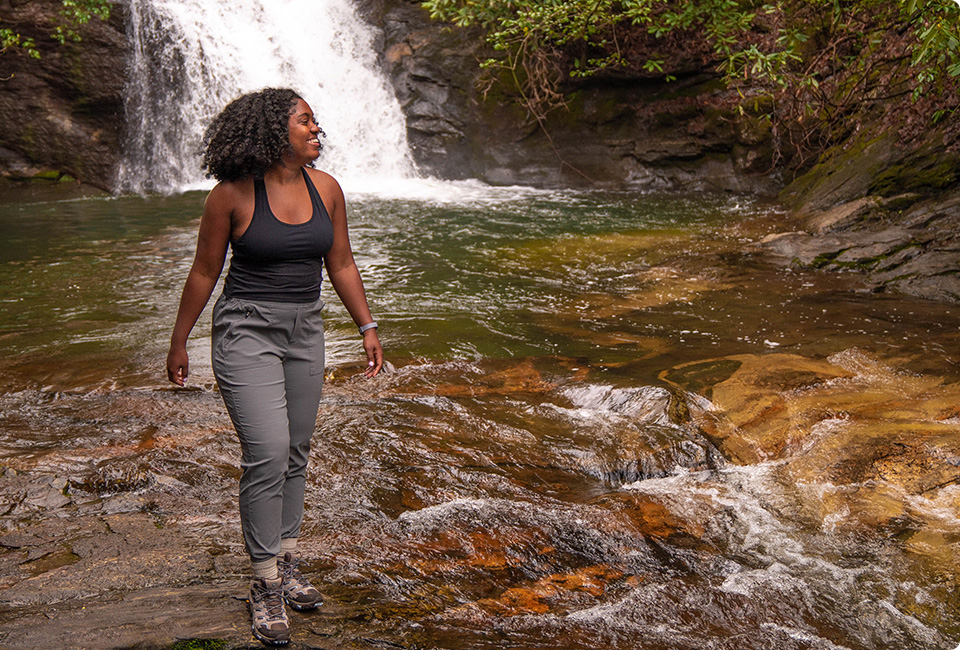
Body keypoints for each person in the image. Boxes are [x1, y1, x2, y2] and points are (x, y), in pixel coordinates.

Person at [165, 87, 383, 646]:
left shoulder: (327, 189)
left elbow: (342, 261)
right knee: (267, 453)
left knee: (296, 453)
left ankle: (286, 562)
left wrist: (367, 327)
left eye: (315, 121)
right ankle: (263, 582)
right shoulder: (231, 196)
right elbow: (203, 273)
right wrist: (179, 341)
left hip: (306, 328)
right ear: (273, 134)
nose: (317, 129)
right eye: (306, 122)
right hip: (245, 328)